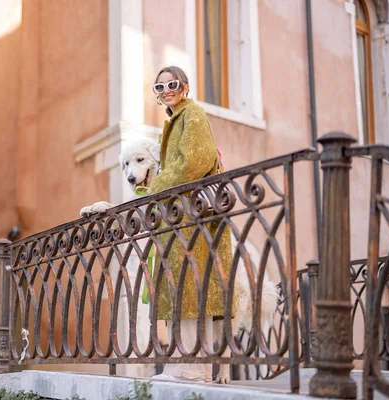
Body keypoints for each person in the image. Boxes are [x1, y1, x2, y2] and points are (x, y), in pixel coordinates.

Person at [147, 66, 233, 383]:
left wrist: (156, 188)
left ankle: (192, 368)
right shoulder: (174, 122)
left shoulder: (192, 115)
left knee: (192, 288)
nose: (166, 90)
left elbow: (195, 161)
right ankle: (184, 365)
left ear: (185, 86)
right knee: (182, 288)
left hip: (197, 221)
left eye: (172, 84)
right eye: (160, 86)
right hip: (182, 220)